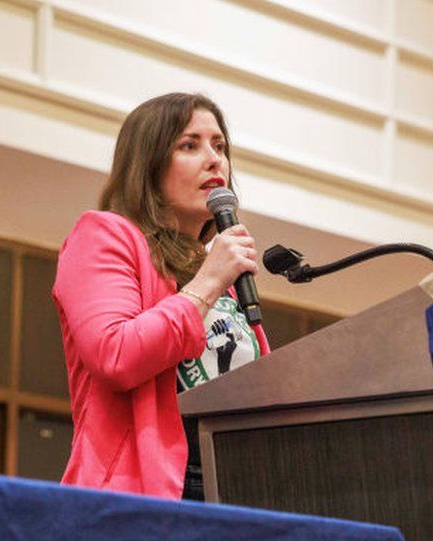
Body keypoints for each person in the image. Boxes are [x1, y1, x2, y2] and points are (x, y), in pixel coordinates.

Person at [52, 92, 270, 500]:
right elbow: (114, 354)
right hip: (141, 495)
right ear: (148, 165)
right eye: (190, 145)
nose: (214, 160)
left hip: (234, 486)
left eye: (219, 146)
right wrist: (207, 283)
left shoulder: (219, 271)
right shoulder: (103, 236)